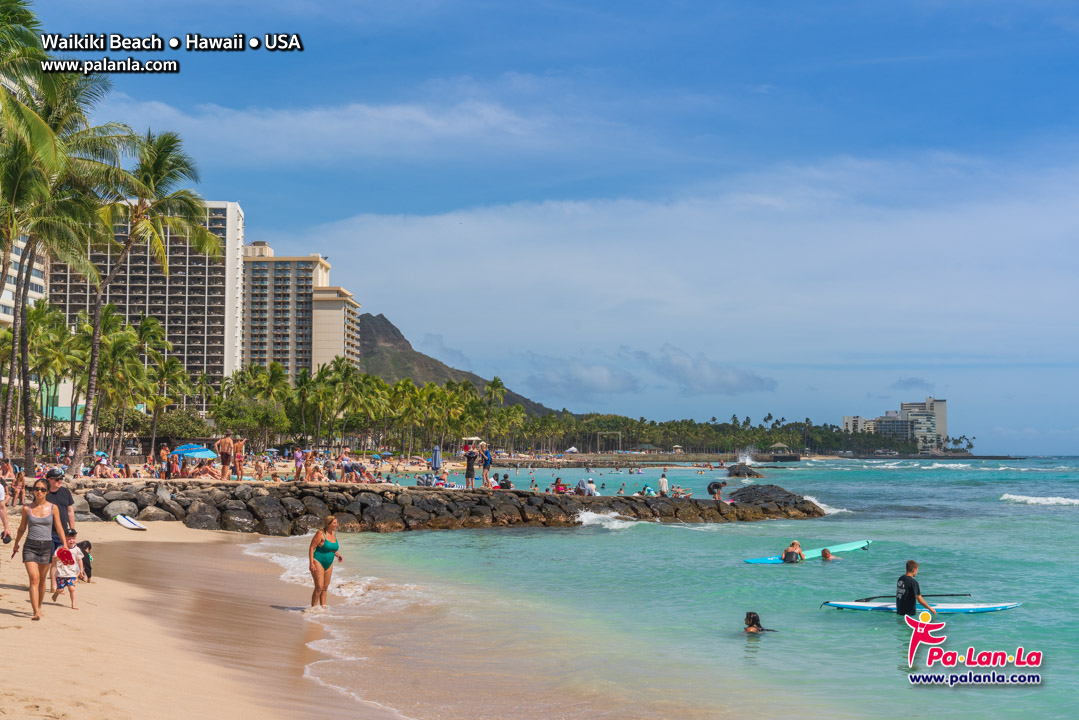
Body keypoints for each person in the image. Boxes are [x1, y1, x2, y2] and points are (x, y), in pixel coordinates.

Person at [11, 479, 67, 620]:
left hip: (47, 546)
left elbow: (59, 527)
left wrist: (65, 545)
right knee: (34, 579)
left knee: (42, 580)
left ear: (47, 491)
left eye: (42, 489)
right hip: (30, 546)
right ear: (33, 490)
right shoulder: (26, 508)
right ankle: (35, 611)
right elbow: (22, 528)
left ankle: (39, 605)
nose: (39, 491)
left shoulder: (53, 508)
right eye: (36, 489)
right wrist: (16, 543)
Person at [308, 515, 343, 608]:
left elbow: (330, 548)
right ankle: (313, 609)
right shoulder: (320, 533)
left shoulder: (334, 534)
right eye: (334, 523)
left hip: (329, 563)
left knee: (325, 588)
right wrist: (311, 563)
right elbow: (312, 548)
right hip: (318, 561)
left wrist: (338, 555)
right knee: (319, 587)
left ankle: (323, 608)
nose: (336, 524)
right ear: (329, 524)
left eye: (336, 522)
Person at [51, 530, 86, 609]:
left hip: (72, 573)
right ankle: (56, 594)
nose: (71, 540)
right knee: (60, 590)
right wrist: (59, 556)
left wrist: (81, 570)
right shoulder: (60, 548)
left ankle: (73, 604)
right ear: (64, 539)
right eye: (69, 539)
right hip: (61, 573)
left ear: (76, 538)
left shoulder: (77, 549)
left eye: (73, 538)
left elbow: (80, 559)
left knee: (72, 588)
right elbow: (55, 559)